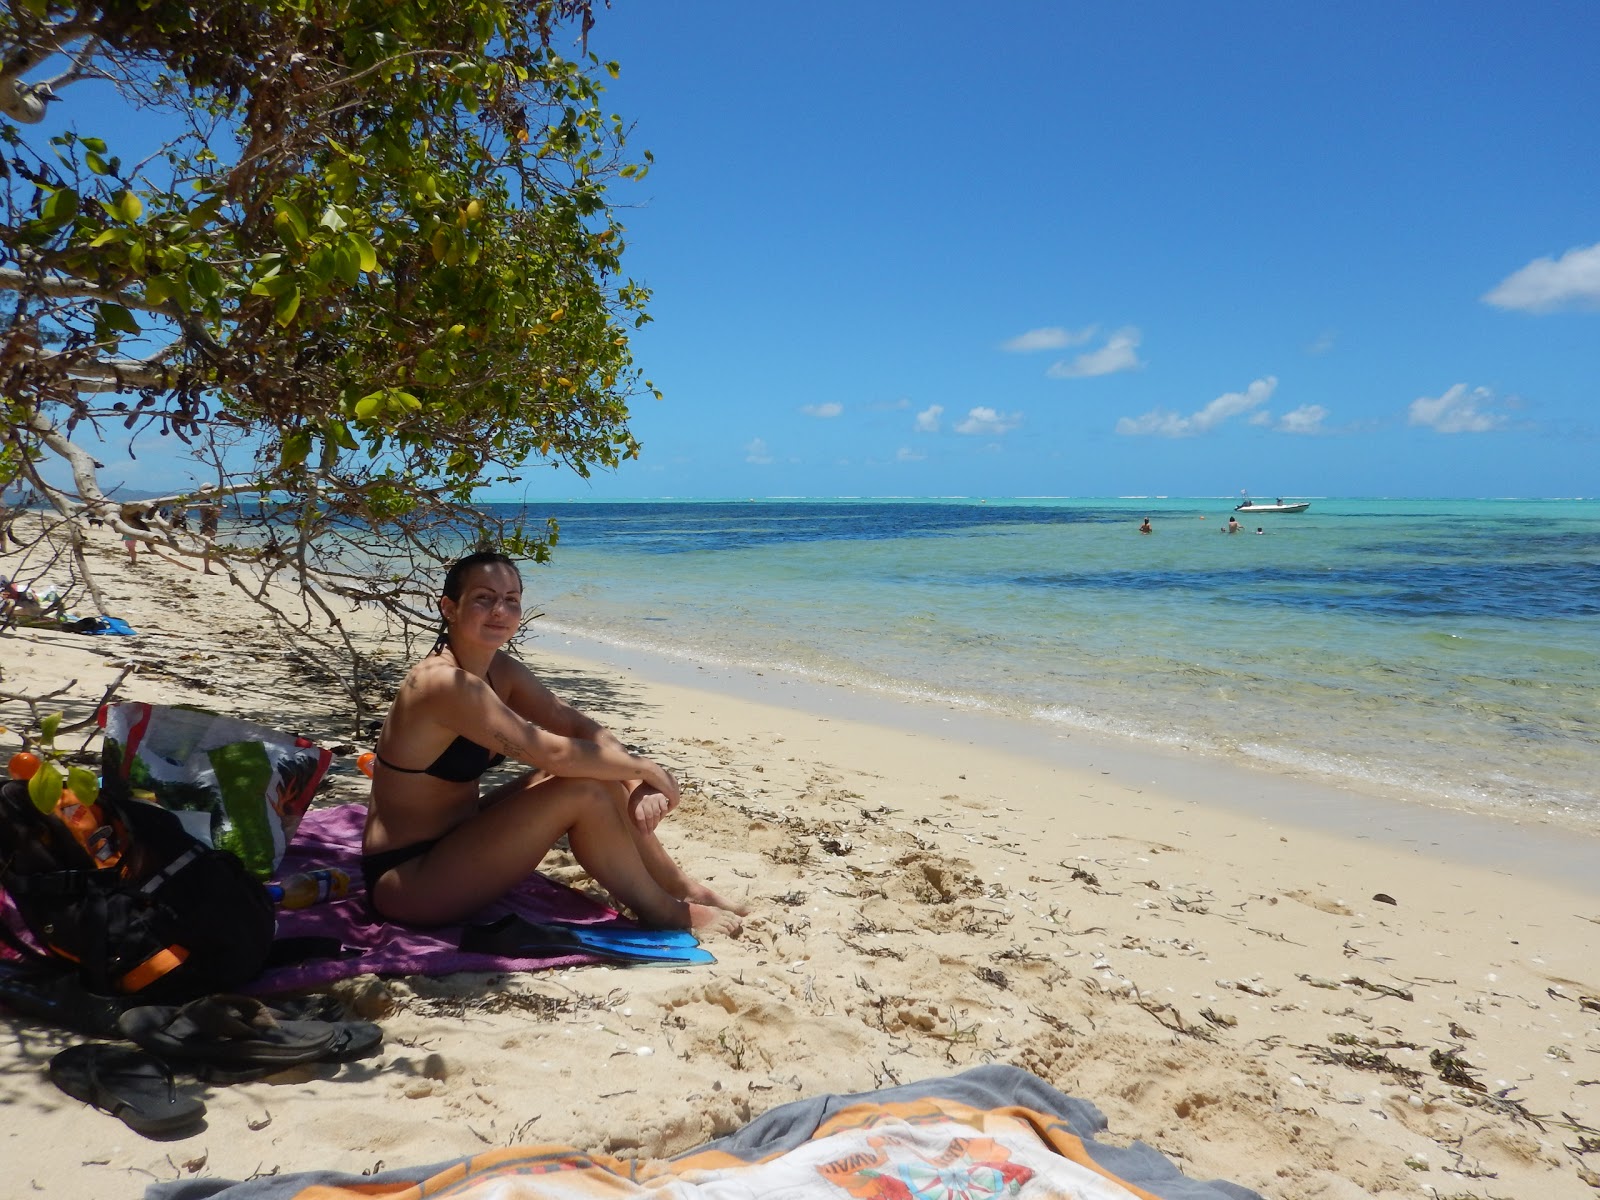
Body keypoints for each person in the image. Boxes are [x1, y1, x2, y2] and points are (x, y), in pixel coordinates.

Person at [361, 551, 744, 935]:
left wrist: (631, 778)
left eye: (511, 599)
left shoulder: (497, 669)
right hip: (408, 879)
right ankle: (664, 911)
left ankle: (677, 886)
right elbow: (553, 752)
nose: (499, 610)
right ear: (449, 607)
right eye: (484, 598)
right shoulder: (443, 683)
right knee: (582, 789)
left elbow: (574, 725)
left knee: (598, 772)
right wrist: (647, 769)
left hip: (458, 840)